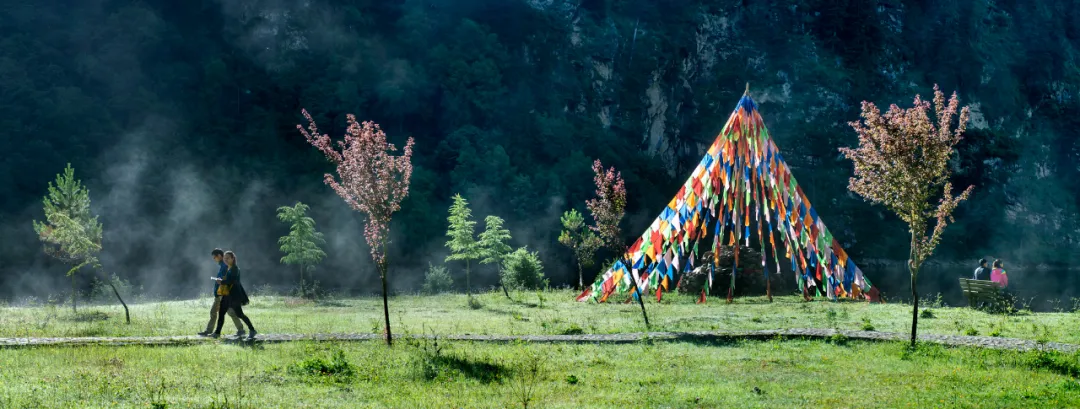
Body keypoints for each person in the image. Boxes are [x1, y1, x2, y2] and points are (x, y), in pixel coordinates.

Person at [198, 248, 245, 337]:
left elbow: (227, 280)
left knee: (228, 312)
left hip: (222, 294)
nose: (213, 259)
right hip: (220, 294)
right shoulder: (222, 266)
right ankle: (209, 331)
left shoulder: (224, 266)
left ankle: (240, 330)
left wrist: (221, 283)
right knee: (216, 312)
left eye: (214, 257)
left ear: (219, 256)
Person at [211, 251, 257, 340]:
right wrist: (222, 281)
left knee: (240, 314)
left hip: (234, 295)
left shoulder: (235, 269)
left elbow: (231, 281)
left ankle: (252, 330)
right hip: (227, 294)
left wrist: (221, 281)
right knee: (221, 313)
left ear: (233, 258)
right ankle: (217, 333)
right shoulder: (229, 268)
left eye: (228, 258)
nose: (226, 260)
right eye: (224, 258)